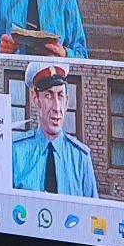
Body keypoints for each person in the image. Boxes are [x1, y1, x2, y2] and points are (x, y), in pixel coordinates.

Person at [10, 66, 97, 196]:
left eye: (60, 96)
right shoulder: (16, 153)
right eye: (48, 96)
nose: (56, 107)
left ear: (66, 102)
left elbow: (93, 207)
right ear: (35, 99)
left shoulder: (80, 159)